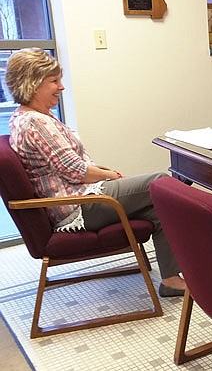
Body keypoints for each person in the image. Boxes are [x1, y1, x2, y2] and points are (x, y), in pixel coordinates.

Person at [6, 48, 185, 298]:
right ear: (33, 84)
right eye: (54, 81)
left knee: (160, 207)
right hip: (79, 205)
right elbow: (74, 170)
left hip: (78, 198)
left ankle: (170, 280)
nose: (61, 87)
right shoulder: (37, 122)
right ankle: (207, 247)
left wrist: (101, 171)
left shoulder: (22, 117)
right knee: (161, 183)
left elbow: (66, 164)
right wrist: (109, 176)